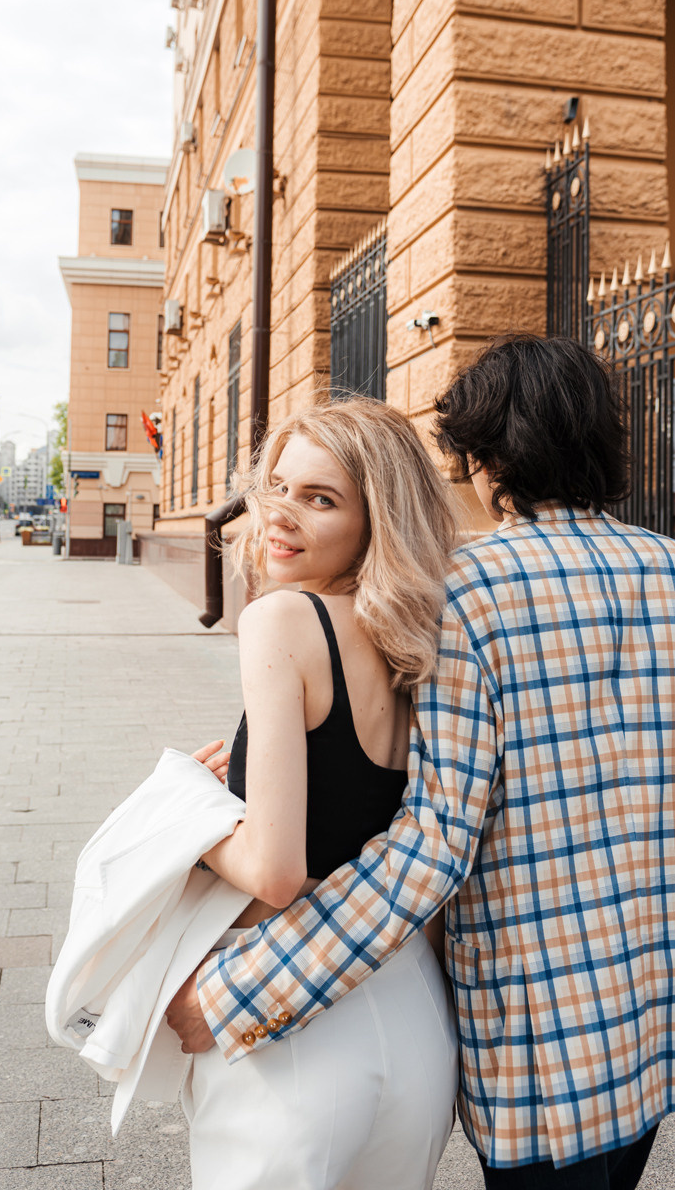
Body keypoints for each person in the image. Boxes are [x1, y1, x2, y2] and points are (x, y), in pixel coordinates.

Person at [168, 334, 675, 1190]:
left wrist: (238, 993)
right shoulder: (667, 570)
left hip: (537, 1041)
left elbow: (432, 844)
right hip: (646, 1023)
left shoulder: (468, 595)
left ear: (481, 459)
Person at [173, 396, 460, 1190]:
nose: (280, 514)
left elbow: (273, 869)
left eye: (320, 498)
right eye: (276, 486)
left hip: (291, 1027)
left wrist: (189, 817)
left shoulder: (282, 620)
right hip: (410, 1012)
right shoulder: (423, 640)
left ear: (378, 521)